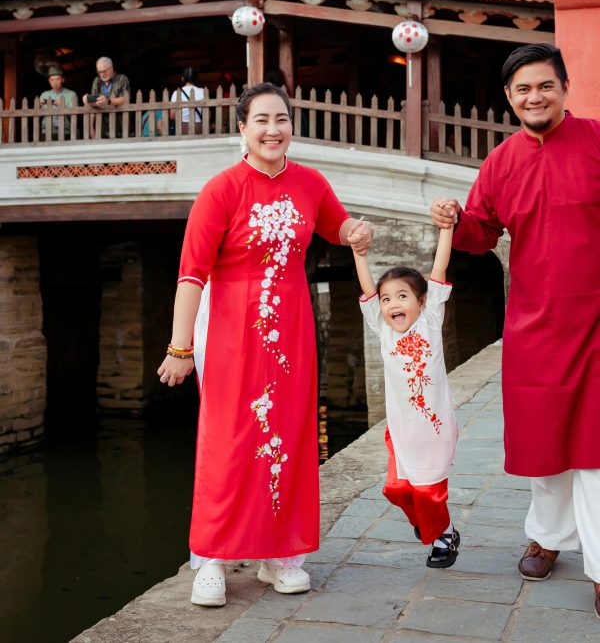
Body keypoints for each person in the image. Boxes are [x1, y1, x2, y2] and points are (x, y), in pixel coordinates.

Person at [157, 82, 373, 608]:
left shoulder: (310, 183)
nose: (273, 130)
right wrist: (180, 348)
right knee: (229, 441)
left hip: (292, 337)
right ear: (242, 128)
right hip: (231, 335)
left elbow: (336, 224)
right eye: (261, 120)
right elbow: (191, 275)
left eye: (281, 119)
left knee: (289, 439)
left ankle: (280, 555)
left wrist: (356, 230)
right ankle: (212, 559)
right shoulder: (221, 190)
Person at [431, 44, 600, 619]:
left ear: (564, 88)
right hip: (533, 323)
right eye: (523, 89)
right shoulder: (500, 162)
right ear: (509, 97)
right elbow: (482, 232)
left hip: (596, 320)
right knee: (544, 442)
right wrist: (456, 221)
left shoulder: (596, 141)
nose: (535, 97)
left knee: (594, 449)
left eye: (545, 85)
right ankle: (547, 537)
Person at [353, 208, 460, 568]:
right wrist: (359, 254)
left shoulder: (430, 320)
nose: (392, 304)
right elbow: (368, 290)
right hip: (400, 431)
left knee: (429, 492)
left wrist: (446, 229)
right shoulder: (383, 331)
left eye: (402, 296)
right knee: (396, 488)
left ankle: (443, 537)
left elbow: (439, 269)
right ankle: (434, 526)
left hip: (433, 430)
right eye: (387, 299)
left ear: (421, 301)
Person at [83, 57, 130, 137]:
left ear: (112, 68)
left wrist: (108, 101)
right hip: (101, 128)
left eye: (104, 71)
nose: (102, 74)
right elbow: (94, 103)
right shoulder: (97, 81)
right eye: (99, 72)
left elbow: (125, 99)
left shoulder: (122, 79)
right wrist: (87, 100)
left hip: (120, 126)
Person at [39, 66, 78, 139]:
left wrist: (62, 105)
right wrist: (39, 105)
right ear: (49, 81)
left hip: (65, 131)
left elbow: (75, 115)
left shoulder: (71, 95)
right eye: (52, 80)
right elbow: (38, 114)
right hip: (46, 131)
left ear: (63, 80)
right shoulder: (44, 95)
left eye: (58, 79)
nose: (55, 82)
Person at [170, 67, 203, 134]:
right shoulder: (202, 92)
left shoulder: (176, 93)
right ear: (196, 79)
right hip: (198, 127)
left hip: (182, 127)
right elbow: (207, 115)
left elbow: (172, 115)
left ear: (182, 78)